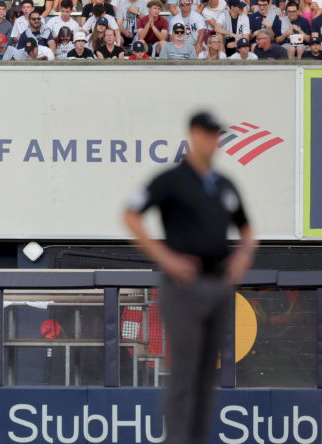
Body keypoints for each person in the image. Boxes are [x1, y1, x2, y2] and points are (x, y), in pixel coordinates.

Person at [123, 111, 255, 444]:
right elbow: (130, 213)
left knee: (205, 376)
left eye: (216, 135)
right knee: (184, 372)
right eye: (206, 133)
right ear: (192, 135)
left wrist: (242, 255)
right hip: (184, 286)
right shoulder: (171, 179)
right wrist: (165, 257)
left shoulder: (224, 184)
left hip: (219, 285)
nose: (212, 141)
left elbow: (247, 228)